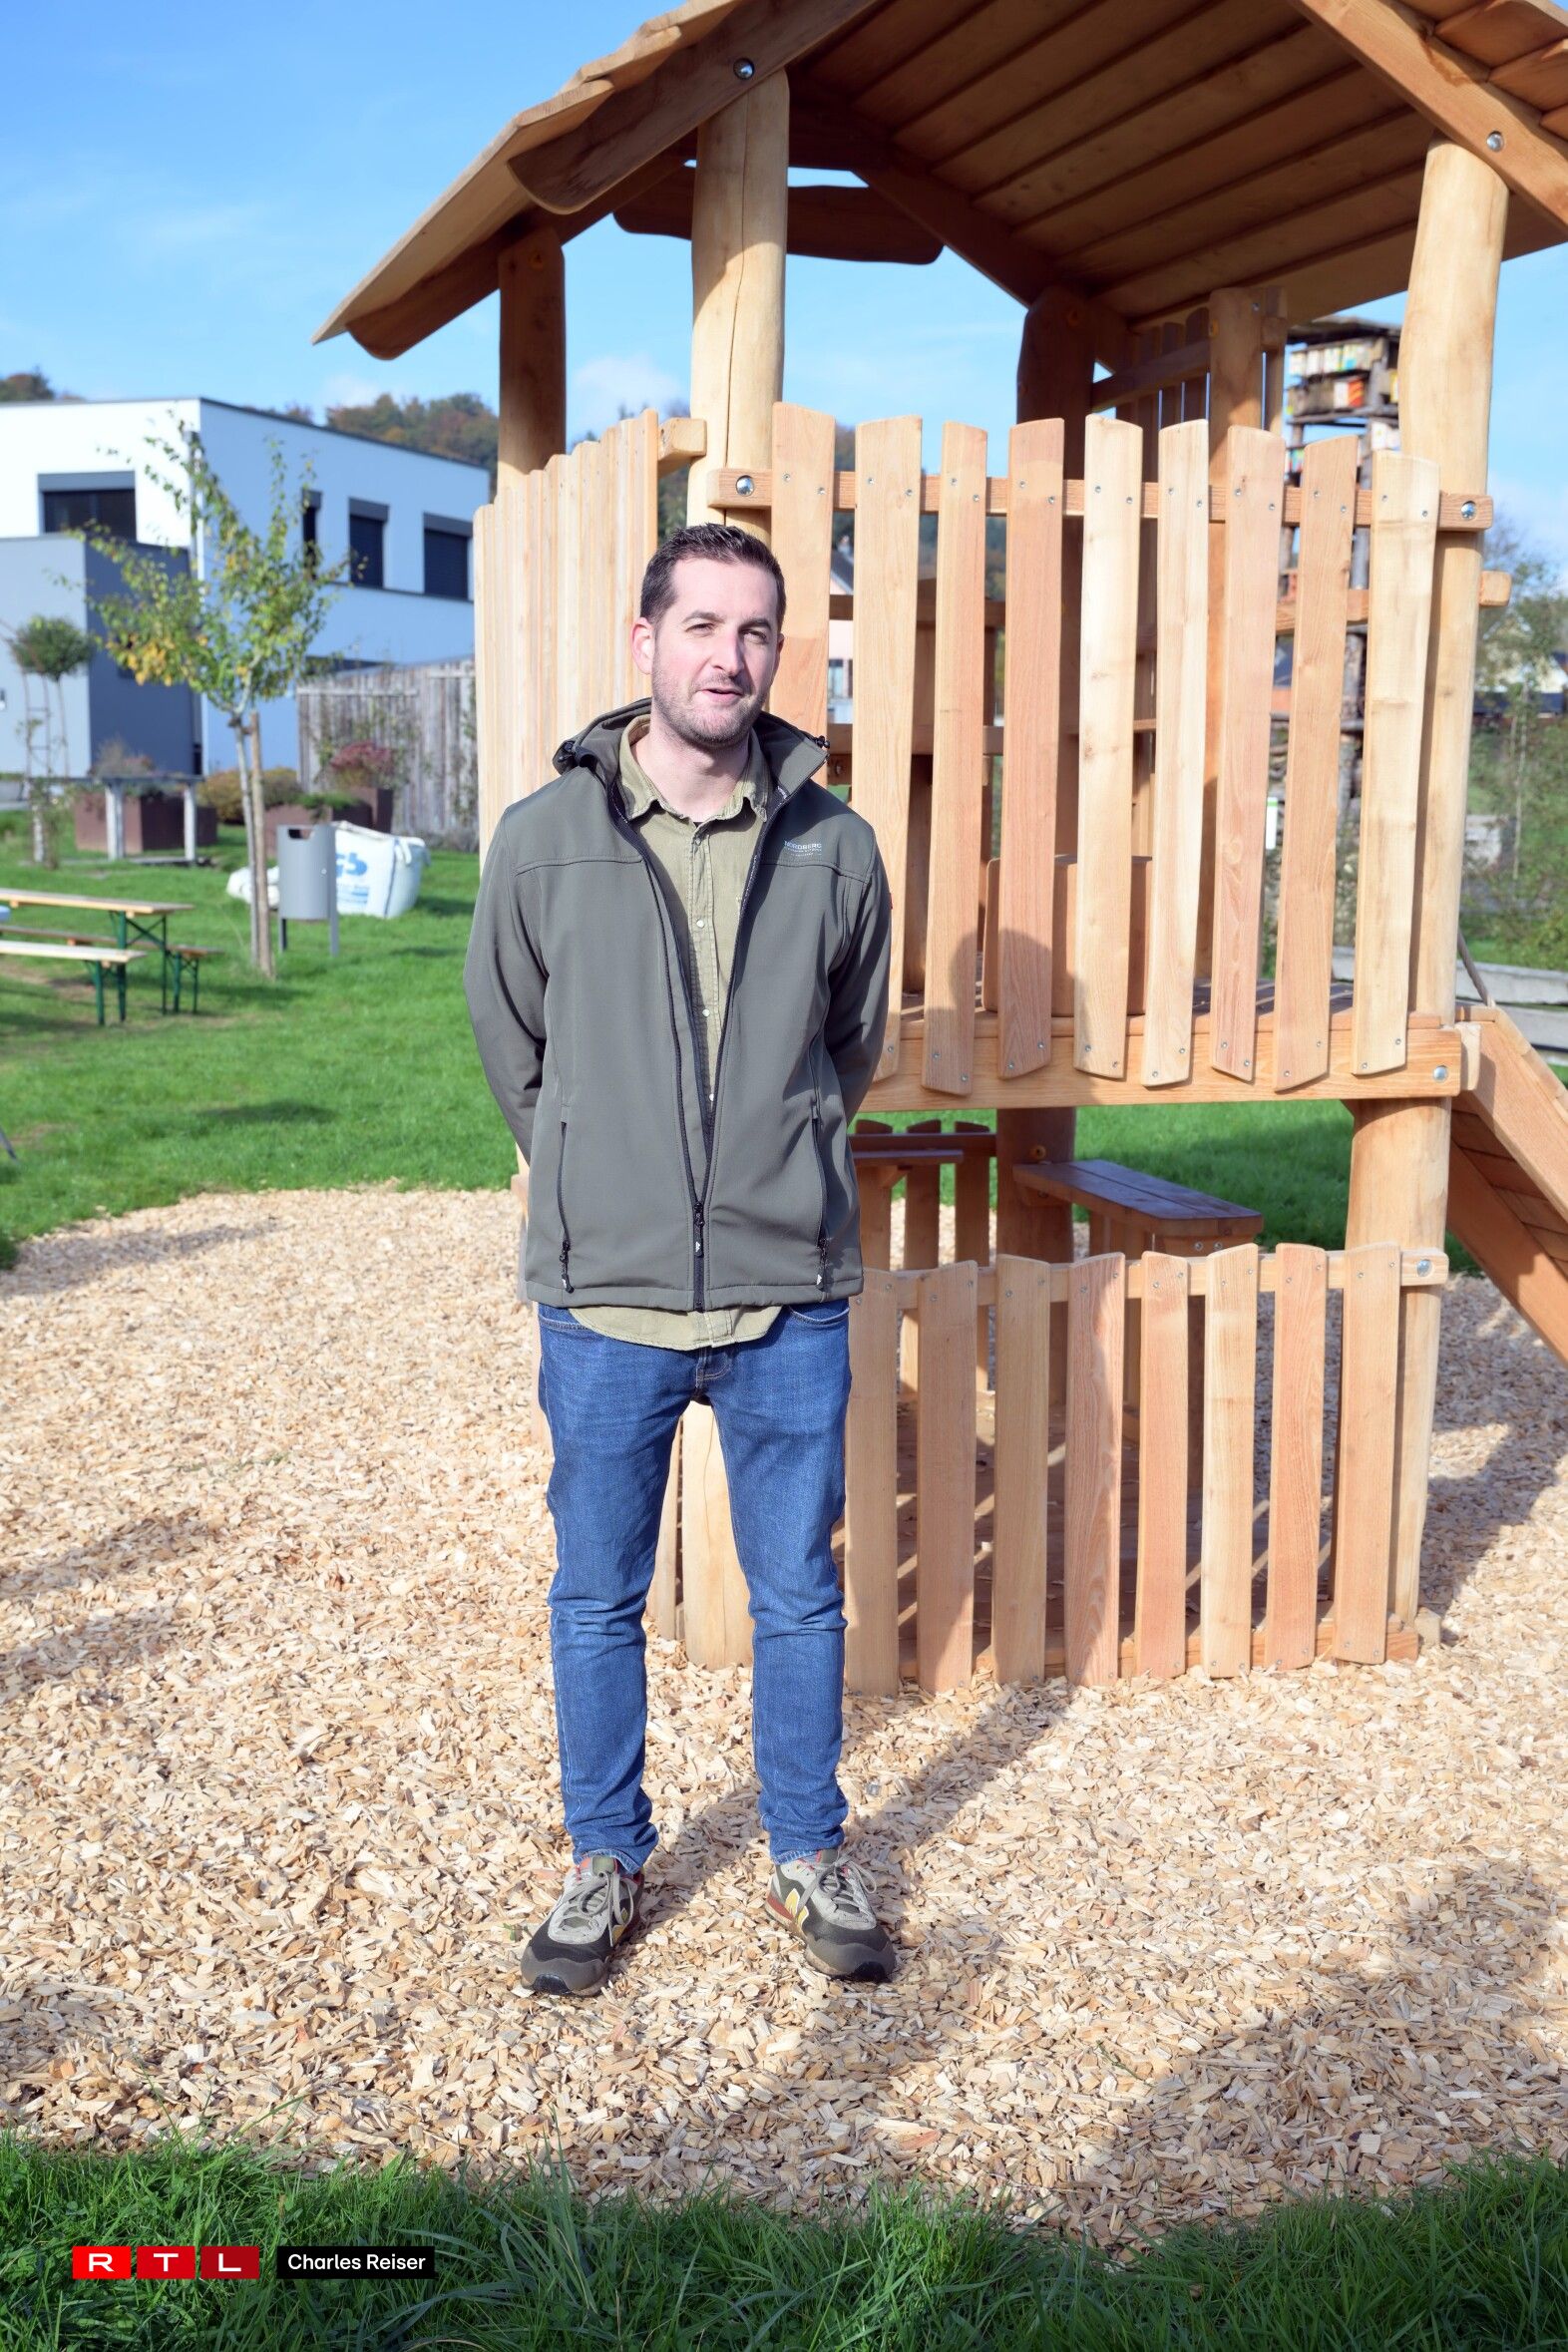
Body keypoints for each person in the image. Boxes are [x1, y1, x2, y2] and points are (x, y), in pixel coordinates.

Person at [465, 522, 898, 1996]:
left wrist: (776, 1157)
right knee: (597, 1597)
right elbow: (512, 1042)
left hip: (788, 1295)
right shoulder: (544, 838)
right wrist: (596, 1161)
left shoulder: (837, 845)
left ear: (779, 652)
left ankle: (808, 1848)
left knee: (801, 1595)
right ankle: (605, 1854)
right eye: (702, 624)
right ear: (645, 640)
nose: (730, 655)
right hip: (607, 1294)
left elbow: (849, 1047)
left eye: (756, 630)